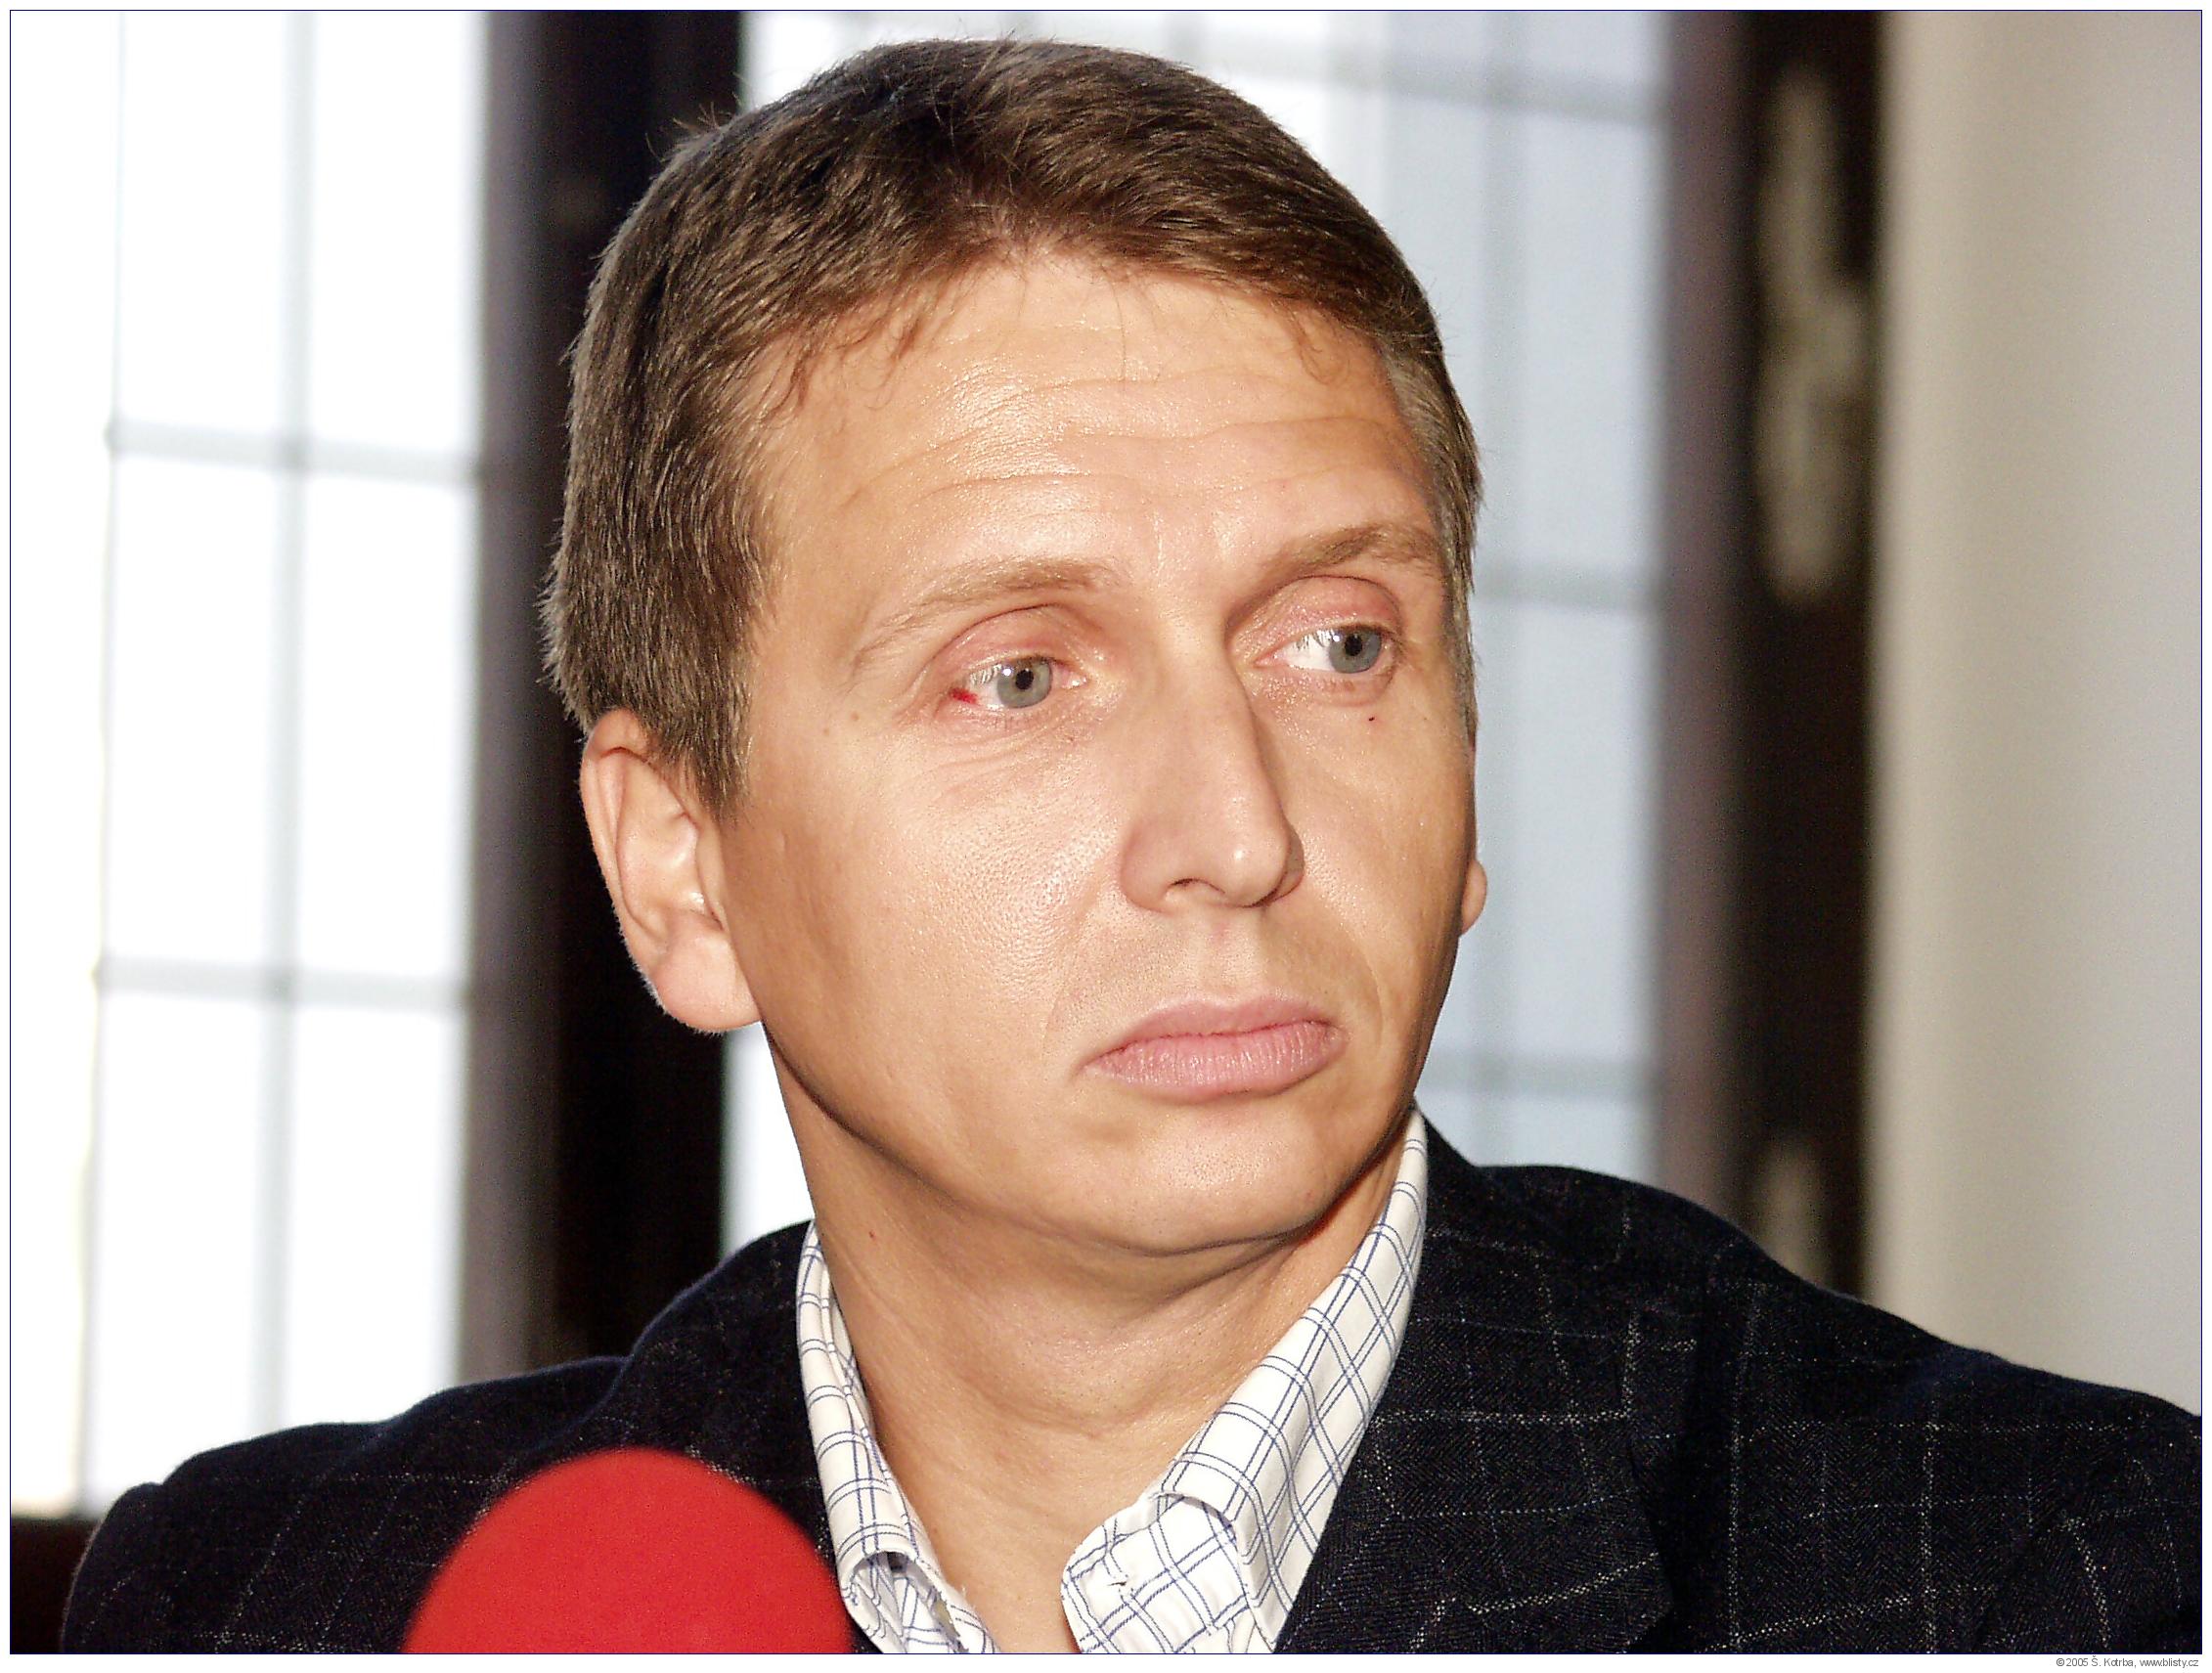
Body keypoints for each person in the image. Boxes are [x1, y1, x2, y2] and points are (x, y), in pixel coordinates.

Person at [64, 38, 2196, 1654]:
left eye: (1338, 644)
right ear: (679, 865)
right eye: (1018, 675)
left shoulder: (2063, 1581)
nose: (1238, 833)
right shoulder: (251, 1607)